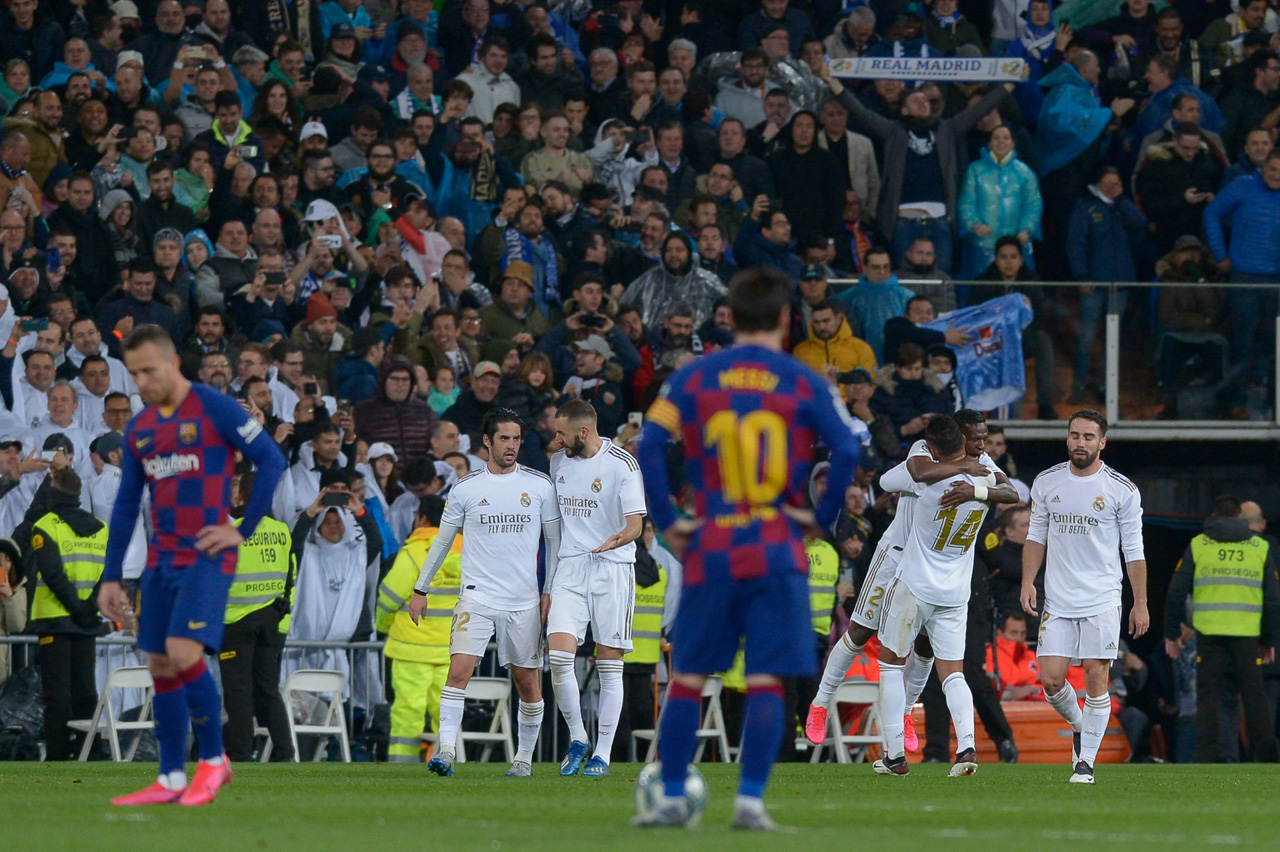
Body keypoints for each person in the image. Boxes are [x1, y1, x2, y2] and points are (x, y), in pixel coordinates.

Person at [633, 267, 861, 830]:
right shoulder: (805, 380)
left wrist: (668, 521)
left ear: (728, 318)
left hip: (711, 543)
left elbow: (650, 441)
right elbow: (847, 449)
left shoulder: (693, 376)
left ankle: (668, 800)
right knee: (765, 678)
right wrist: (818, 518)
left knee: (688, 677)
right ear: (786, 319)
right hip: (777, 545)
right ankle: (750, 803)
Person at [97, 324, 287, 806]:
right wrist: (112, 575)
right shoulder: (141, 427)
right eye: (134, 373)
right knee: (160, 663)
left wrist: (241, 529)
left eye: (149, 370)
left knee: (183, 653)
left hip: (207, 555)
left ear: (173, 362)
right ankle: (170, 778)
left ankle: (215, 761)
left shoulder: (213, 405)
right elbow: (124, 506)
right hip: (163, 558)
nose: (141, 381)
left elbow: (271, 461)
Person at [805, 411, 1019, 757]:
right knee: (860, 630)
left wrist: (975, 487)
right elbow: (896, 478)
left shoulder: (980, 463)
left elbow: (1009, 490)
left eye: (984, 439)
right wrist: (964, 471)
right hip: (895, 555)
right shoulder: (925, 450)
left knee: (924, 648)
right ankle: (821, 702)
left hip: (927, 569)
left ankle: (904, 713)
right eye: (976, 438)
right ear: (957, 436)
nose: (982, 446)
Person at [407, 407, 561, 778]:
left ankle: (523, 759)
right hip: (476, 595)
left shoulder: (540, 486)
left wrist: (548, 591)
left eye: (517, 438)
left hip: (523, 599)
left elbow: (555, 544)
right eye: (504, 438)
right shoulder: (466, 488)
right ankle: (445, 751)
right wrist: (420, 589)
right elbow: (442, 542)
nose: (511, 446)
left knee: (527, 682)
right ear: (487, 442)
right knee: (458, 671)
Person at [1021, 409, 1148, 784]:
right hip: (1058, 598)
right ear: (1067, 439)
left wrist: (1140, 602)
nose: (1080, 442)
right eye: (1075, 435)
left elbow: (1134, 551)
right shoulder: (1046, 482)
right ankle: (1079, 726)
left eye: (1088, 437)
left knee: (1096, 676)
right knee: (1052, 680)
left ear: (1102, 442)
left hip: (1102, 597)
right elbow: (1035, 536)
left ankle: (1085, 764)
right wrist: (1029, 581)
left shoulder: (1120, 490)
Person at [546, 399, 645, 777]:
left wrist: (617, 539)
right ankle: (579, 737)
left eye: (561, 432)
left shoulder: (622, 464)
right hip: (571, 566)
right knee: (558, 657)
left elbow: (636, 523)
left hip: (613, 568)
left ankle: (602, 754)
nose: (556, 439)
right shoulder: (559, 464)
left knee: (609, 664)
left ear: (583, 432)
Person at [1163, 495, 1280, 763]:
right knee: (1255, 699)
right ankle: (1267, 758)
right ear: (1240, 517)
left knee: (1208, 700)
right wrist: (1269, 639)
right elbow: (1273, 599)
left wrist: (1172, 634)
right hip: (1247, 635)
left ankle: (1207, 757)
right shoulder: (1259, 547)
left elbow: (1176, 592)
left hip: (1209, 634)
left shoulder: (1199, 545)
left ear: (1214, 516)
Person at [28, 465, 108, 761]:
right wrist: (88, 610)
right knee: (86, 691)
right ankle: (92, 751)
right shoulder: (100, 527)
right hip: (87, 620)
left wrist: (76, 610)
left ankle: (58, 755)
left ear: (53, 491)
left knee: (58, 695)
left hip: (56, 619)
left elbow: (52, 574)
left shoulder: (46, 525)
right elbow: (111, 573)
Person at [376, 494, 459, 763]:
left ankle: (402, 766)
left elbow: (388, 598)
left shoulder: (413, 552)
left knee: (407, 714)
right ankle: (448, 764)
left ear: (422, 518)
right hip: (451, 649)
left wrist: (384, 625)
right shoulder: (467, 550)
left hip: (411, 648)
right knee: (446, 714)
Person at [220, 468, 296, 763]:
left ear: (240, 496)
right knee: (267, 688)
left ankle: (240, 753)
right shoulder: (281, 531)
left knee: (238, 691)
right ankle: (284, 751)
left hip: (236, 622)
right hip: (271, 620)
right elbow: (290, 576)